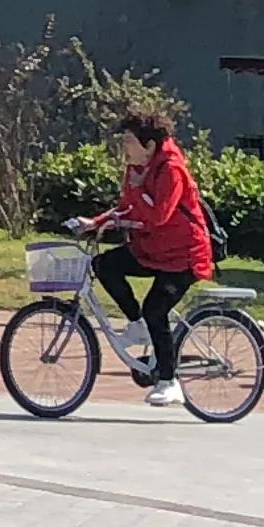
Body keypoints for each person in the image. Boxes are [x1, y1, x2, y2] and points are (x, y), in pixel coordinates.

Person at [85, 107, 212, 409]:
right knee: (105, 264)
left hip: (184, 255)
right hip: (152, 249)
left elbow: (158, 215)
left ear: (149, 146)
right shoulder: (136, 169)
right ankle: (136, 324)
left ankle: (169, 381)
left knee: (156, 307)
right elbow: (126, 206)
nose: (124, 148)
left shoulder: (171, 170)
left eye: (129, 141)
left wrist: (135, 199)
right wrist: (97, 222)